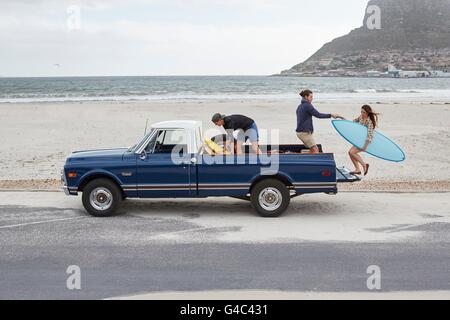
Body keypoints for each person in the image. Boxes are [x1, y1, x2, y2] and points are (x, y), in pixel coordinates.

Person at [296, 89, 344, 153]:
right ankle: (313, 162)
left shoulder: (300, 106)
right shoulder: (307, 105)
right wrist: (331, 115)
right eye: (311, 97)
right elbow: (318, 115)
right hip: (304, 133)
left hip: (301, 132)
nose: (312, 99)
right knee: (315, 149)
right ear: (305, 97)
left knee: (312, 149)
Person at [348, 104, 379, 176]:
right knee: (350, 152)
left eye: (364, 112)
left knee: (351, 152)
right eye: (361, 112)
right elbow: (354, 121)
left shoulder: (370, 121)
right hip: (359, 140)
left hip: (366, 142)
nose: (362, 113)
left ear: (368, 112)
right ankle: (358, 169)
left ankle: (364, 165)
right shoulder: (361, 117)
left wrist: (365, 146)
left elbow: (369, 135)